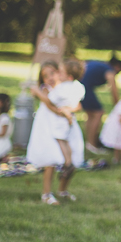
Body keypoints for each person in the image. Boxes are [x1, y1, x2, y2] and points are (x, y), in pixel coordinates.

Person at [27, 60, 86, 205]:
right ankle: (46, 193)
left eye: (53, 73)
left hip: (65, 126)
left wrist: (68, 110)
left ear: (60, 73)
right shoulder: (45, 89)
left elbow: (78, 105)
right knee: (51, 158)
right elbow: (50, 105)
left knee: (72, 158)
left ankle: (62, 190)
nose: (50, 77)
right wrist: (39, 93)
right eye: (46, 76)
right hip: (47, 125)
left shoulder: (66, 87)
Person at [79, 54, 121, 153]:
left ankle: (88, 141)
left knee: (90, 114)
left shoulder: (98, 63)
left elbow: (82, 63)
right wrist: (117, 105)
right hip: (85, 88)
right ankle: (92, 144)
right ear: (117, 67)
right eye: (119, 71)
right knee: (98, 113)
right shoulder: (109, 70)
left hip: (79, 86)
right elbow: (113, 88)